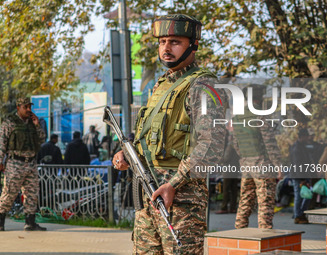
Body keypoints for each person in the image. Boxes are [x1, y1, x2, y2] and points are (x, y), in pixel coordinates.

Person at [112, 14, 227, 254]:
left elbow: (212, 145)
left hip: (182, 201)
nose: (166, 48)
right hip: (148, 195)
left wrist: (173, 184)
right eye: (162, 41)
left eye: (175, 42)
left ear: (193, 45)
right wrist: (128, 153)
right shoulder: (160, 86)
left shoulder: (203, 86)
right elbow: (149, 135)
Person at [234, 85, 282, 229]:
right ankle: (264, 236)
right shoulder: (260, 115)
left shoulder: (237, 117)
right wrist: (278, 165)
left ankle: (238, 233)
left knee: (245, 200)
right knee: (265, 202)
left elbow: (235, 144)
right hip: (262, 165)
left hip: (246, 164)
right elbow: (269, 142)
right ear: (259, 98)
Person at [0, 97, 47, 231]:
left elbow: (42, 139)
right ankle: (0, 221)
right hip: (15, 163)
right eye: (25, 107)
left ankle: (30, 222)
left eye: (30, 107)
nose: (28, 110)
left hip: (31, 163)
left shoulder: (32, 122)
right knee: (9, 193)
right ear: (18, 107)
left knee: (32, 194)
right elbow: (2, 143)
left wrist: (37, 125)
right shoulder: (9, 122)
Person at [290, 128, 312, 224]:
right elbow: (297, 165)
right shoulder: (297, 148)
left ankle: (300, 214)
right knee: (299, 196)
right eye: (307, 136)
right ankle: (298, 215)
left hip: (302, 175)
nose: (308, 138)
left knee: (305, 195)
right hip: (299, 176)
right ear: (302, 136)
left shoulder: (301, 146)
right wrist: (302, 179)